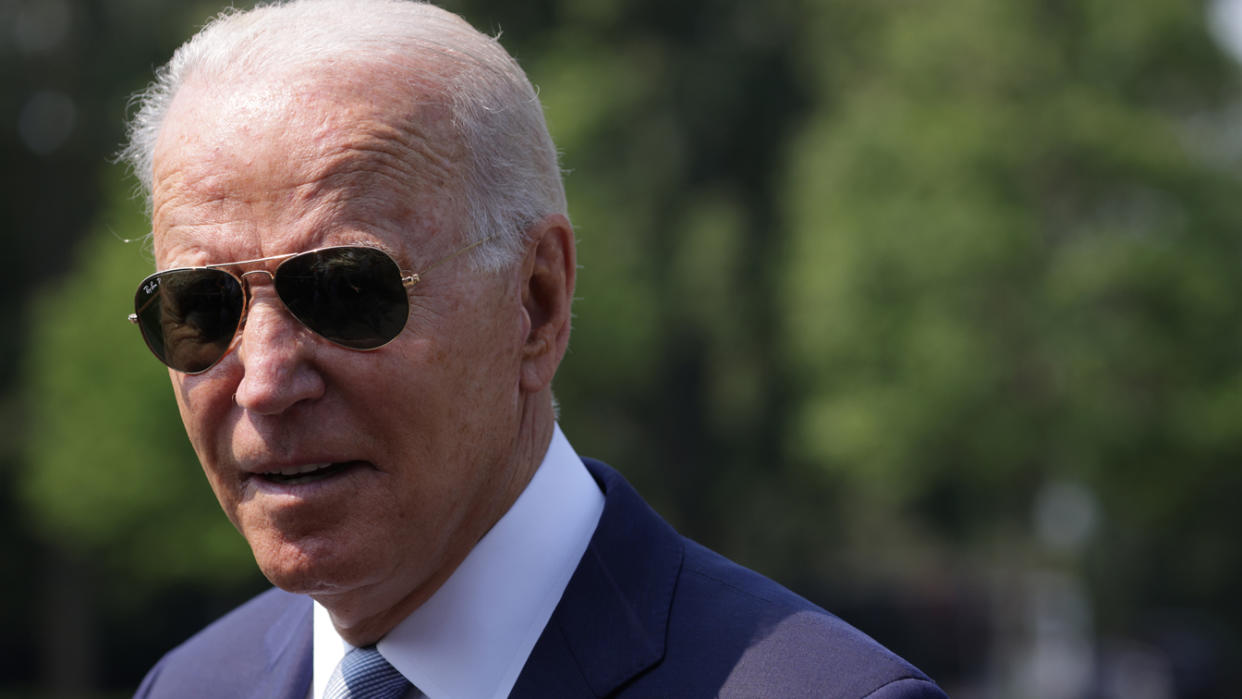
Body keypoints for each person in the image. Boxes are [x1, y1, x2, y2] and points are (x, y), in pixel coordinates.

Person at [122, 1, 948, 697]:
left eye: (345, 289)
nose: (264, 382)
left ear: (537, 302)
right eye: (199, 304)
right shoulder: (191, 684)